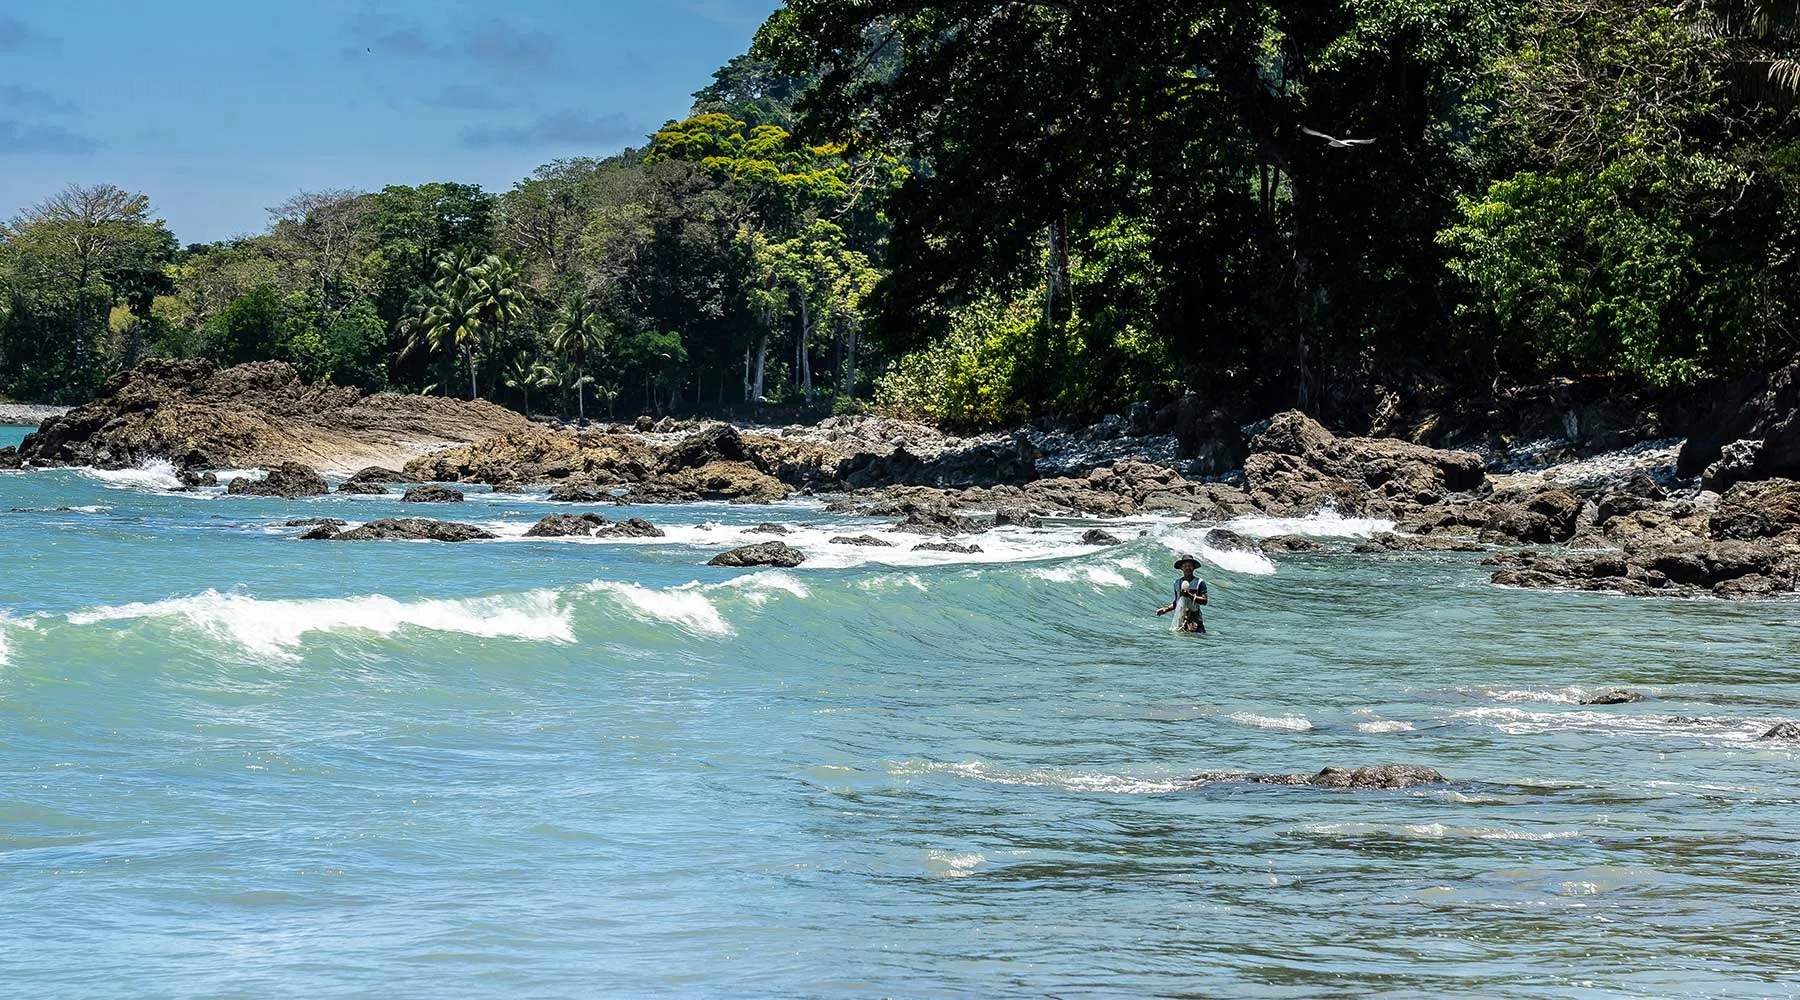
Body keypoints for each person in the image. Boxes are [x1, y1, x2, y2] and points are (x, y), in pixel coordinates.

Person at [1156, 555, 1209, 633]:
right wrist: (1166, 609)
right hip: (1180, 618)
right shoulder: (1177, 583)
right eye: (1185, 566)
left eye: (1190, 566)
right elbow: (1177, 602)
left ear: (1193, 567)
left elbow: (1205, 601)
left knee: (1198, 640)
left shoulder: (1200, 582)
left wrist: (1189, 595)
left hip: (1195, 619)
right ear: (1181, 567)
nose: (1188, 568)